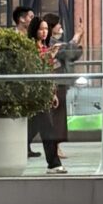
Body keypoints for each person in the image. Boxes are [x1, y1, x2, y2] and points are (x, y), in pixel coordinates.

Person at [31, 12, 70, 172]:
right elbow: (37, 68)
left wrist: (52, 93)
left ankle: (53, 163)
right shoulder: (32, 48)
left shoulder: (44, 47)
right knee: (47, 129)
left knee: (37, 127)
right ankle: (54, 163)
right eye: (41, 29)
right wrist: (50, 56)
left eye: (46, 29)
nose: (44, 32)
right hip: (37, 93)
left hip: (45, 93)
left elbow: (48, 72)